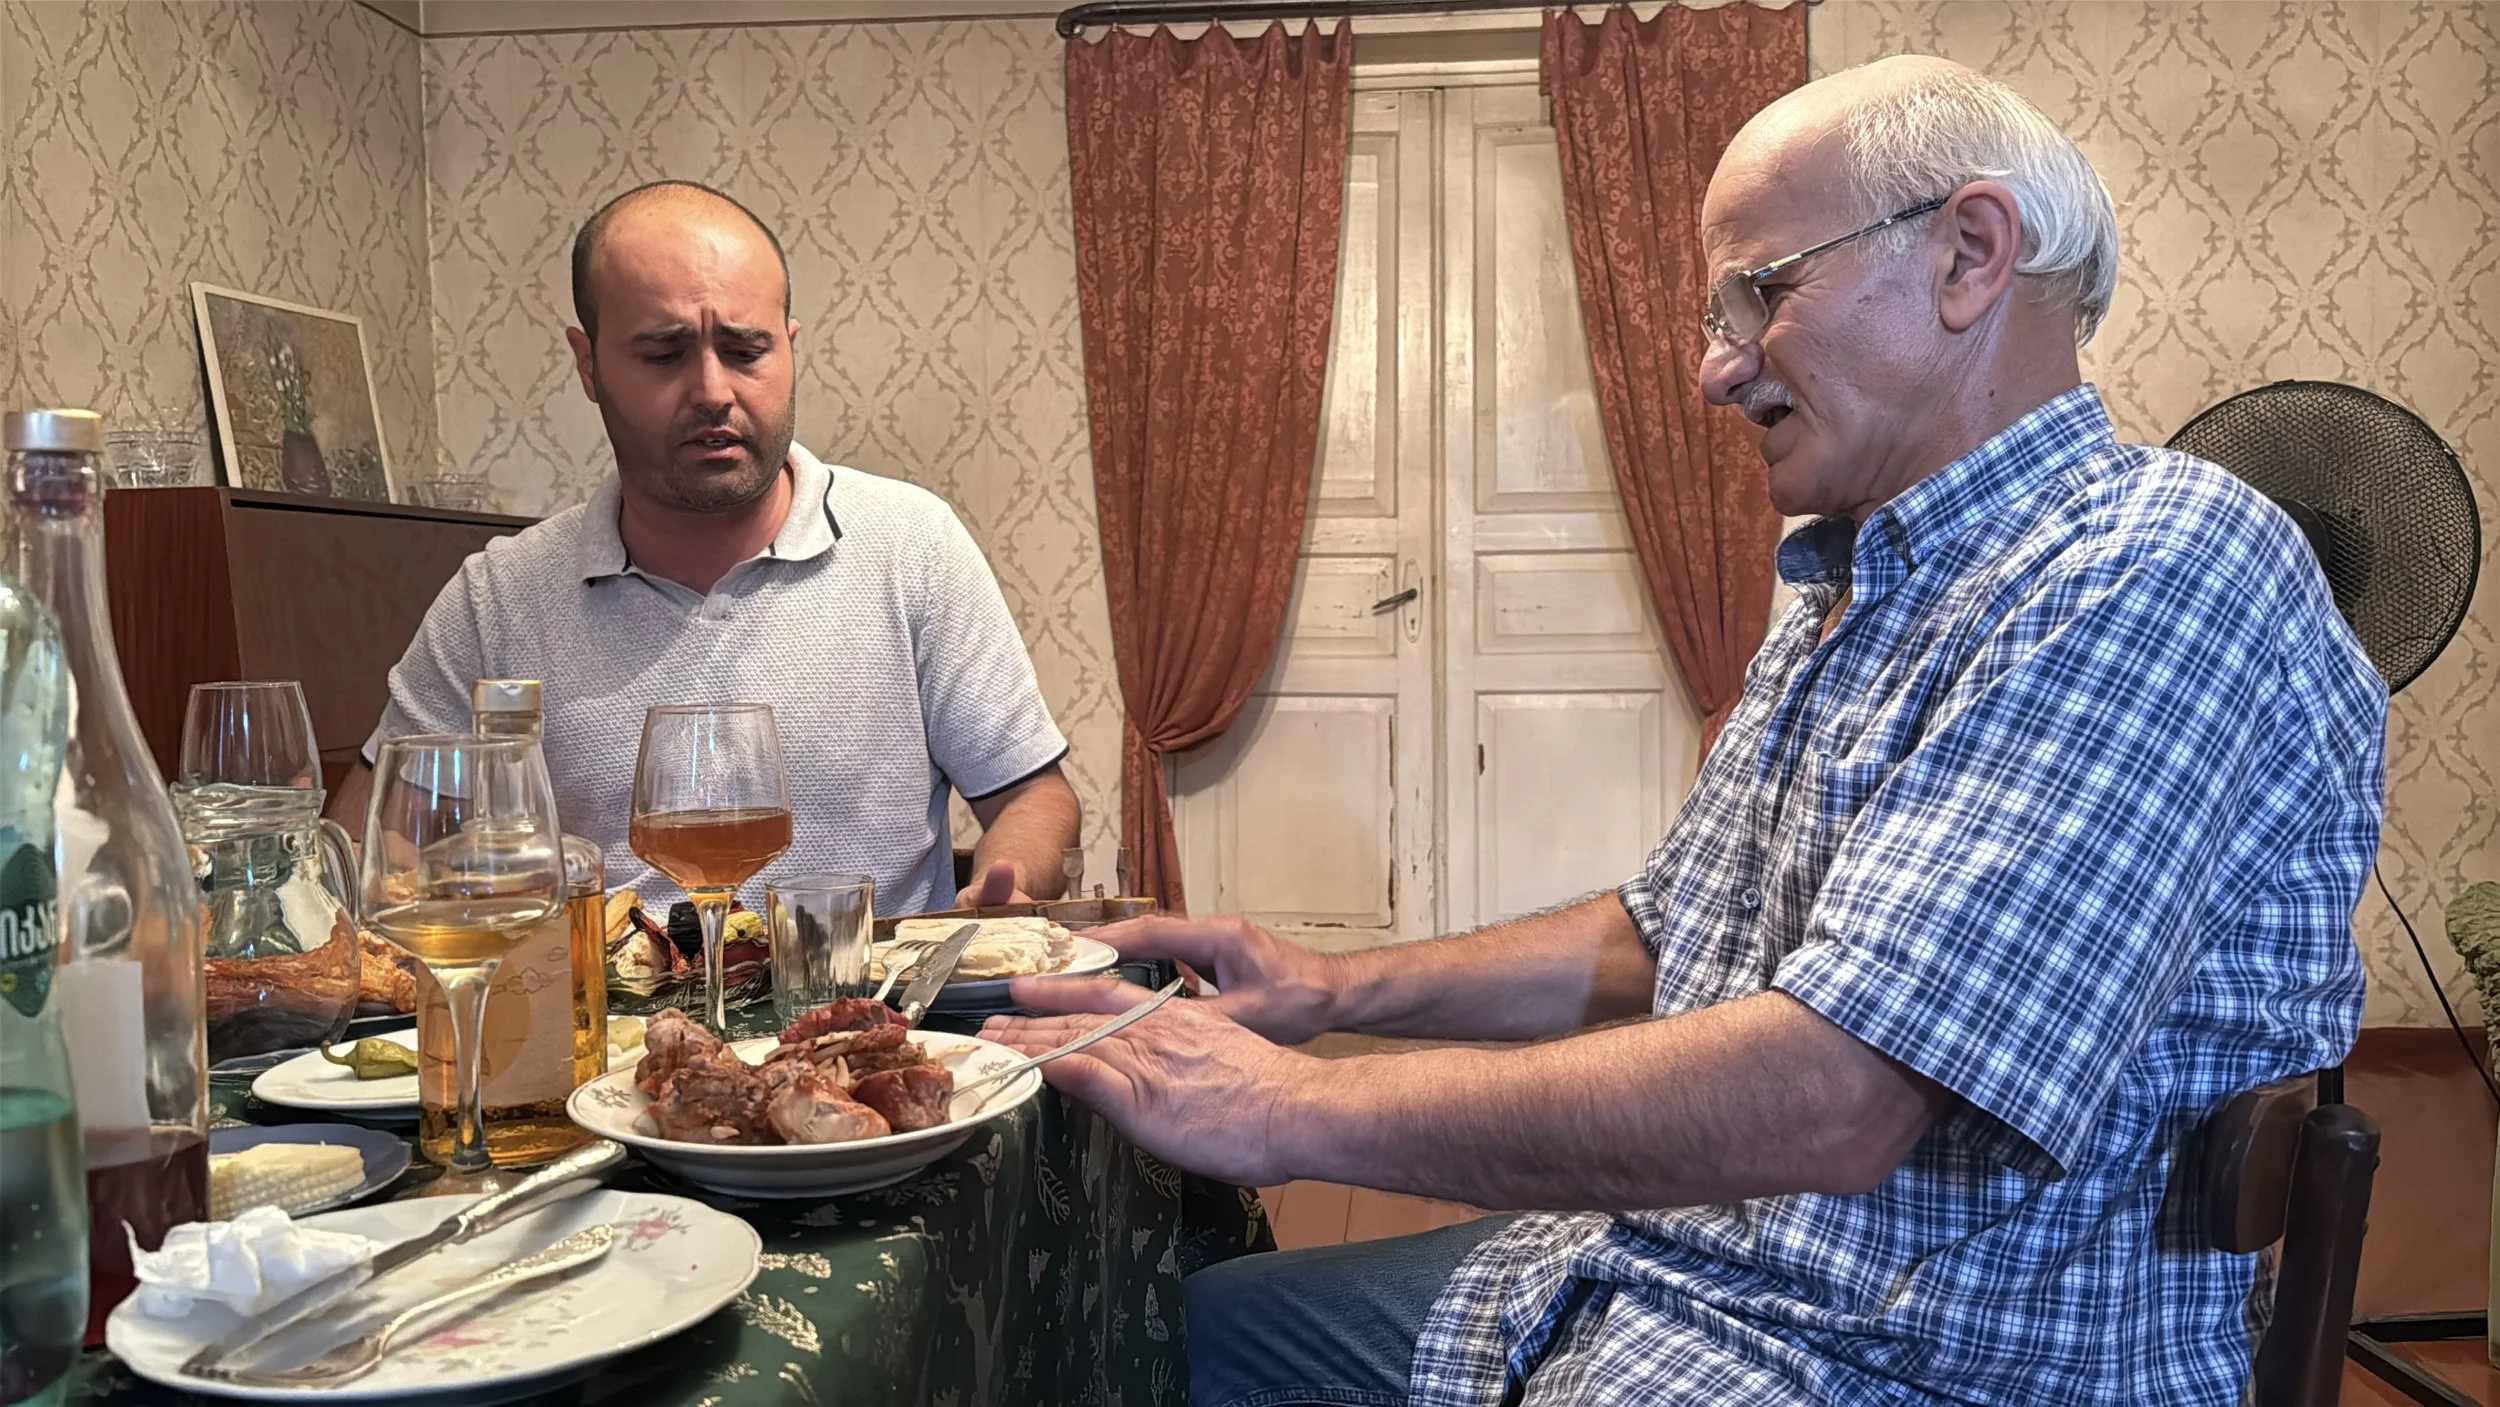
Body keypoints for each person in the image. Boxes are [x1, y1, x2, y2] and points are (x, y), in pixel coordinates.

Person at [983, 55, 2388, 1407]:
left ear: (1968, 254)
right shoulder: (1851, 577)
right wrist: (1330, 989)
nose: (1716, 369)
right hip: (1668, 1265)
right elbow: (1669, 936)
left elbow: (1836, 1093)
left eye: (1754, 295)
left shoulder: (2151, 563)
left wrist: (1289, 1108)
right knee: (1152, 1337)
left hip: (1900, 1359)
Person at [333, 180, 1078, 914]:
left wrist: (1003, 887)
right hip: (607, 1024)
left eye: (746, 349)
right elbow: (376, 839)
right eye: (664, 354)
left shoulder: (913, 547)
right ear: (588, 365)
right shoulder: (499, 598)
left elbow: (1032, 793)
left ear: (790, 348)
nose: (713, 390)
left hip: (871, 1014)